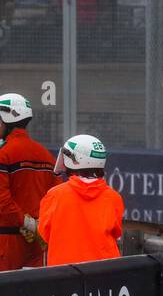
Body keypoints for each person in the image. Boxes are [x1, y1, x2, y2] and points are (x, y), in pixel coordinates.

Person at [36, 134, 124, 267]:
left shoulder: (55, 195)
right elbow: (116, 232)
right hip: (105, 273)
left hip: (64, 274)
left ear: (73, 161)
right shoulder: (113, 197)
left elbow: (44, 234)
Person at [0, 93, 57, 272]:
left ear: (7, 118)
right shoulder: (46, 155)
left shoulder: (4, 153)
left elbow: (2, 201)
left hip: (6, 243)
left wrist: (25, 222)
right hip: (36, 243)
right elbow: (55, 198)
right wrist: (37, 224)